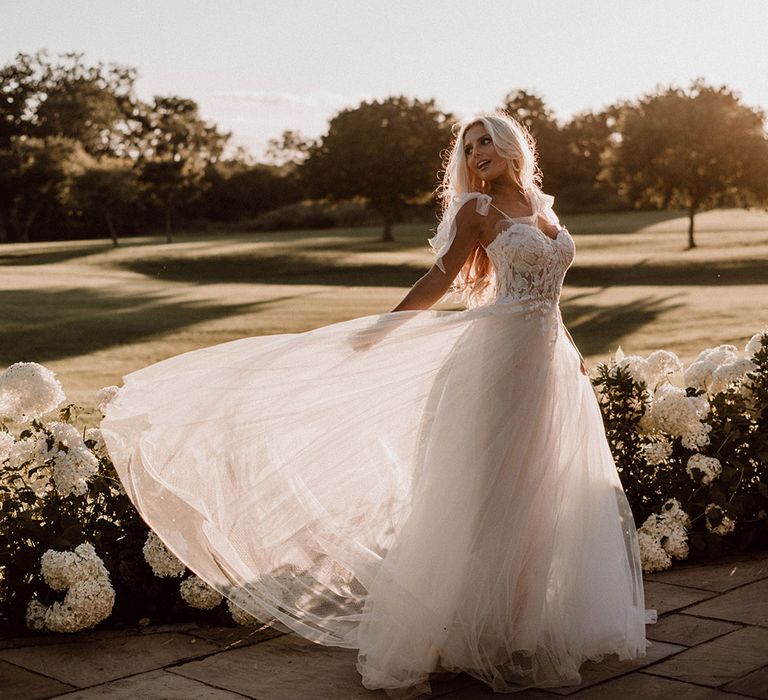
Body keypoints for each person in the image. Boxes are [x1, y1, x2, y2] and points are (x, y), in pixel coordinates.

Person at [101, 110, 656, 699]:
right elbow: (441, 279)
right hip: (497, 364)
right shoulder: (478, 211)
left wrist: (571, 349)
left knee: (543, 493)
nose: (477, 153)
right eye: (469, 147)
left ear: (513, 144)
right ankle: (473, 634)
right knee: (491, 493)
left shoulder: (544, 210)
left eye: (486, 141)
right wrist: (383, 329)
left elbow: (551, 299)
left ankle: (523, 626)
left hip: (548, 367)